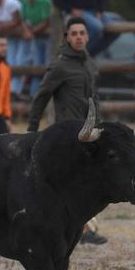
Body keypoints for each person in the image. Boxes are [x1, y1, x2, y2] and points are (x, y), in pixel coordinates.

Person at [26, 17, 106, 244]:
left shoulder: (90, 63)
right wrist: (32, 129)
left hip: (92, 134)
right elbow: (41, 97)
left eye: (82, 33)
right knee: (73, 183)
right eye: (74, 33)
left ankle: (80, 229)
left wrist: (100, 127)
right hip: (69, 136)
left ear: (88, 36)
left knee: (89, 182)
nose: (79, 37)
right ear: (67, 38)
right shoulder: (60, 65)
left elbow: (95, 99)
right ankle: (82, 231)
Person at [17, 0, 53, 97]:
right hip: (35, 35)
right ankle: (34, 94)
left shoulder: (43, 0)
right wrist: (27, 31)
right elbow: (22, 18)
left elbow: (46, 21)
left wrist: (31, 31)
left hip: (46, 36)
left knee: (47, 64)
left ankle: (45, 94)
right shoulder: (23, 0)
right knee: (36, 64)